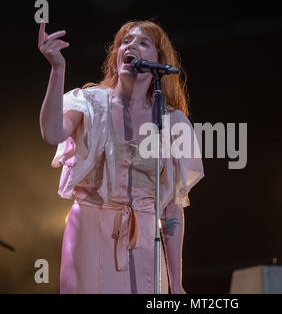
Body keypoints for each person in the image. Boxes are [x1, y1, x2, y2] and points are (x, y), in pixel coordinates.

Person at [38, 19, 204, 294]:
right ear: (116, 57)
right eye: (125, 41)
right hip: (90, 232)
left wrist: (176, 283)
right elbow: (52, 133)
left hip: (143, 240)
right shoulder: (89, 103)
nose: (131, 46)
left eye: (143, 42)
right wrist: (58, 69)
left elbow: (172, 209)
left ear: (158, 61)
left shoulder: (172, 123)